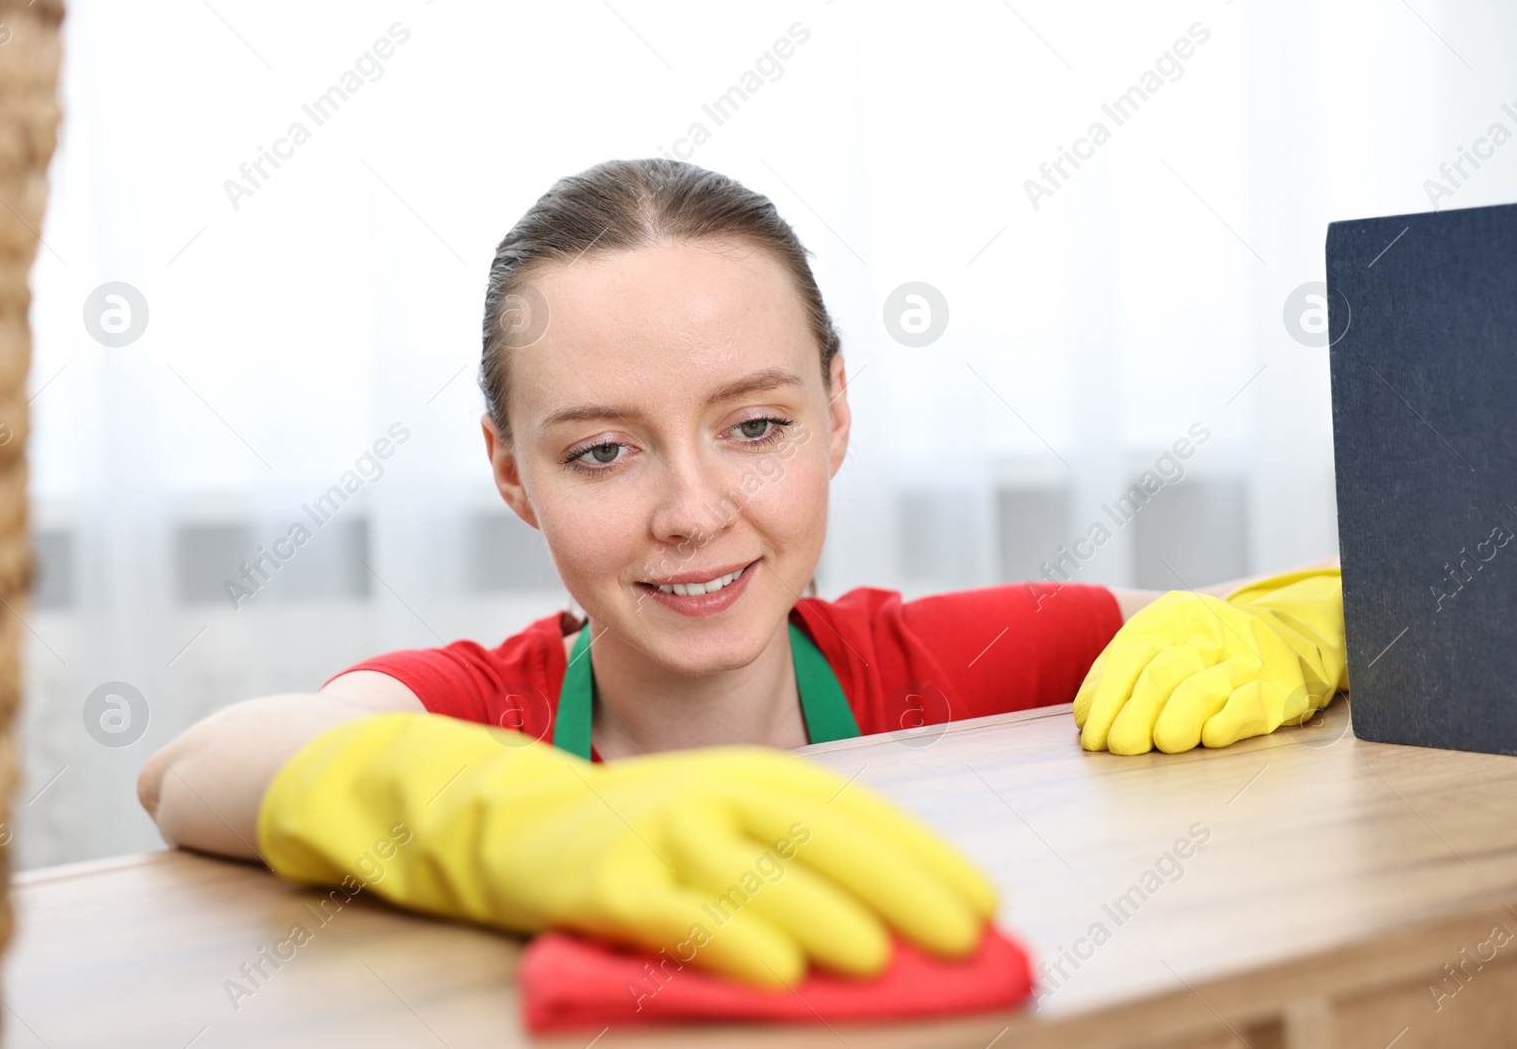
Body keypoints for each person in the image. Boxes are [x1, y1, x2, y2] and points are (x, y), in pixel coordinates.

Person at [139, 158, 1345, 989]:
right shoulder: (486, 714)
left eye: (754, 427)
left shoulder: (924, 668)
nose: (691, 512)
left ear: (834, 410)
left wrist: (1293, 633)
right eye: (601, 451)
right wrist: (532, 829)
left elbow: (1216, 621)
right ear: (511, 472)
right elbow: (190, 769)